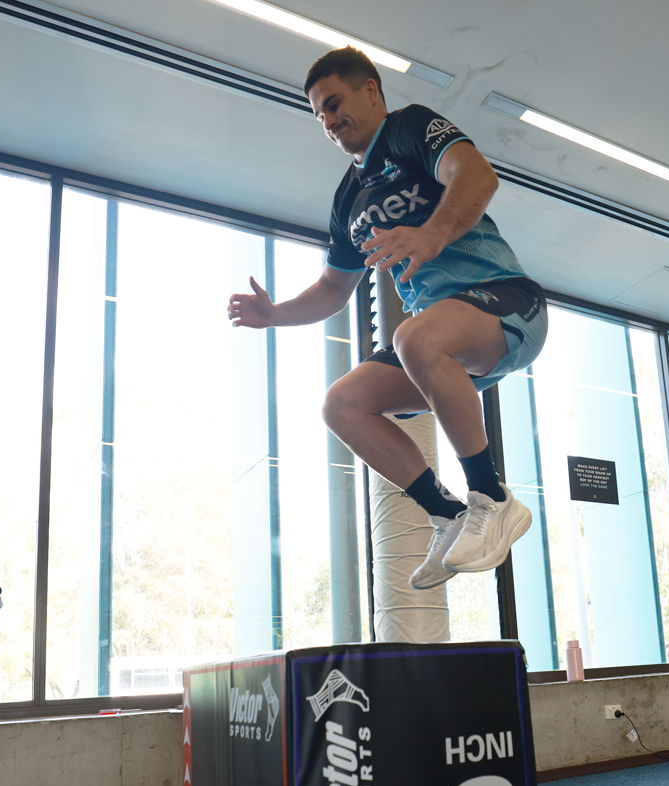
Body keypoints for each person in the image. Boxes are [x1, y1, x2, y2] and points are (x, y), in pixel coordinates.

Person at [228, 46, 547, 590]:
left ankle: (492, 498)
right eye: (318, 115)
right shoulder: (348, 198)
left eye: (334, 103)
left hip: (507, 302)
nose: (328, 121)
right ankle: (445, 513)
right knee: (342, 403)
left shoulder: (408, 129)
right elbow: (334, 288)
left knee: (413, 336)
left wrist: (432, 233)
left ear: (371, 91)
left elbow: (476, 174)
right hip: (440, 344)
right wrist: (275, 314)